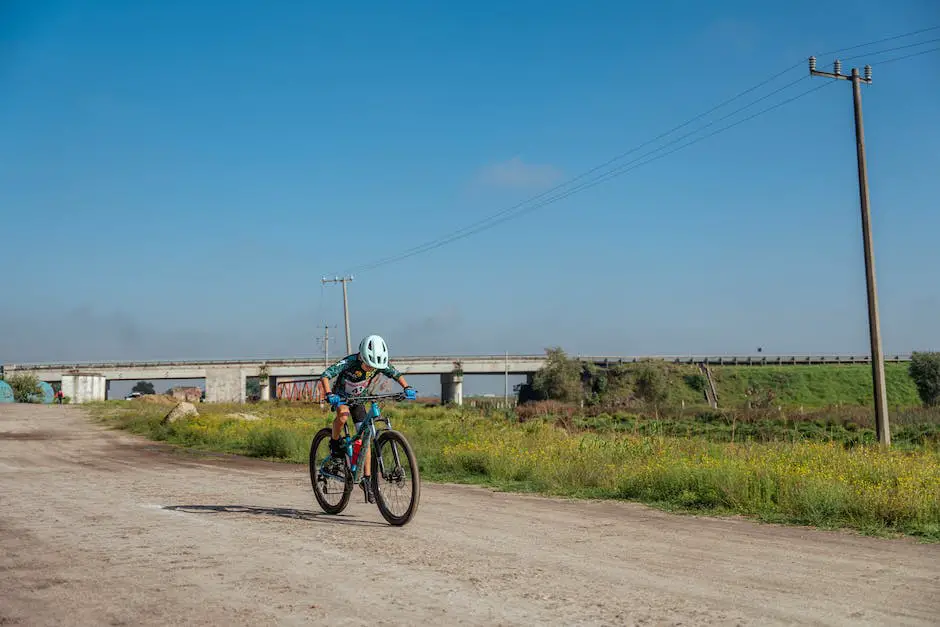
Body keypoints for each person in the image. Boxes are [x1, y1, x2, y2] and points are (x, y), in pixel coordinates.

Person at [316, 334, 416, 503]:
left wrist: (407, 387)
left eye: (374, 367)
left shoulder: (378, 364)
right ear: (361, 356)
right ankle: (334, 444)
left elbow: (395, 374)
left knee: (365, 437)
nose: (371, 369)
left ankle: (367, 479)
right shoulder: (349, 362)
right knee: (342, 415)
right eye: (368, 365)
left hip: (359, 400)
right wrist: (328, 393)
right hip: (341, 397)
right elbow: (326, 375)